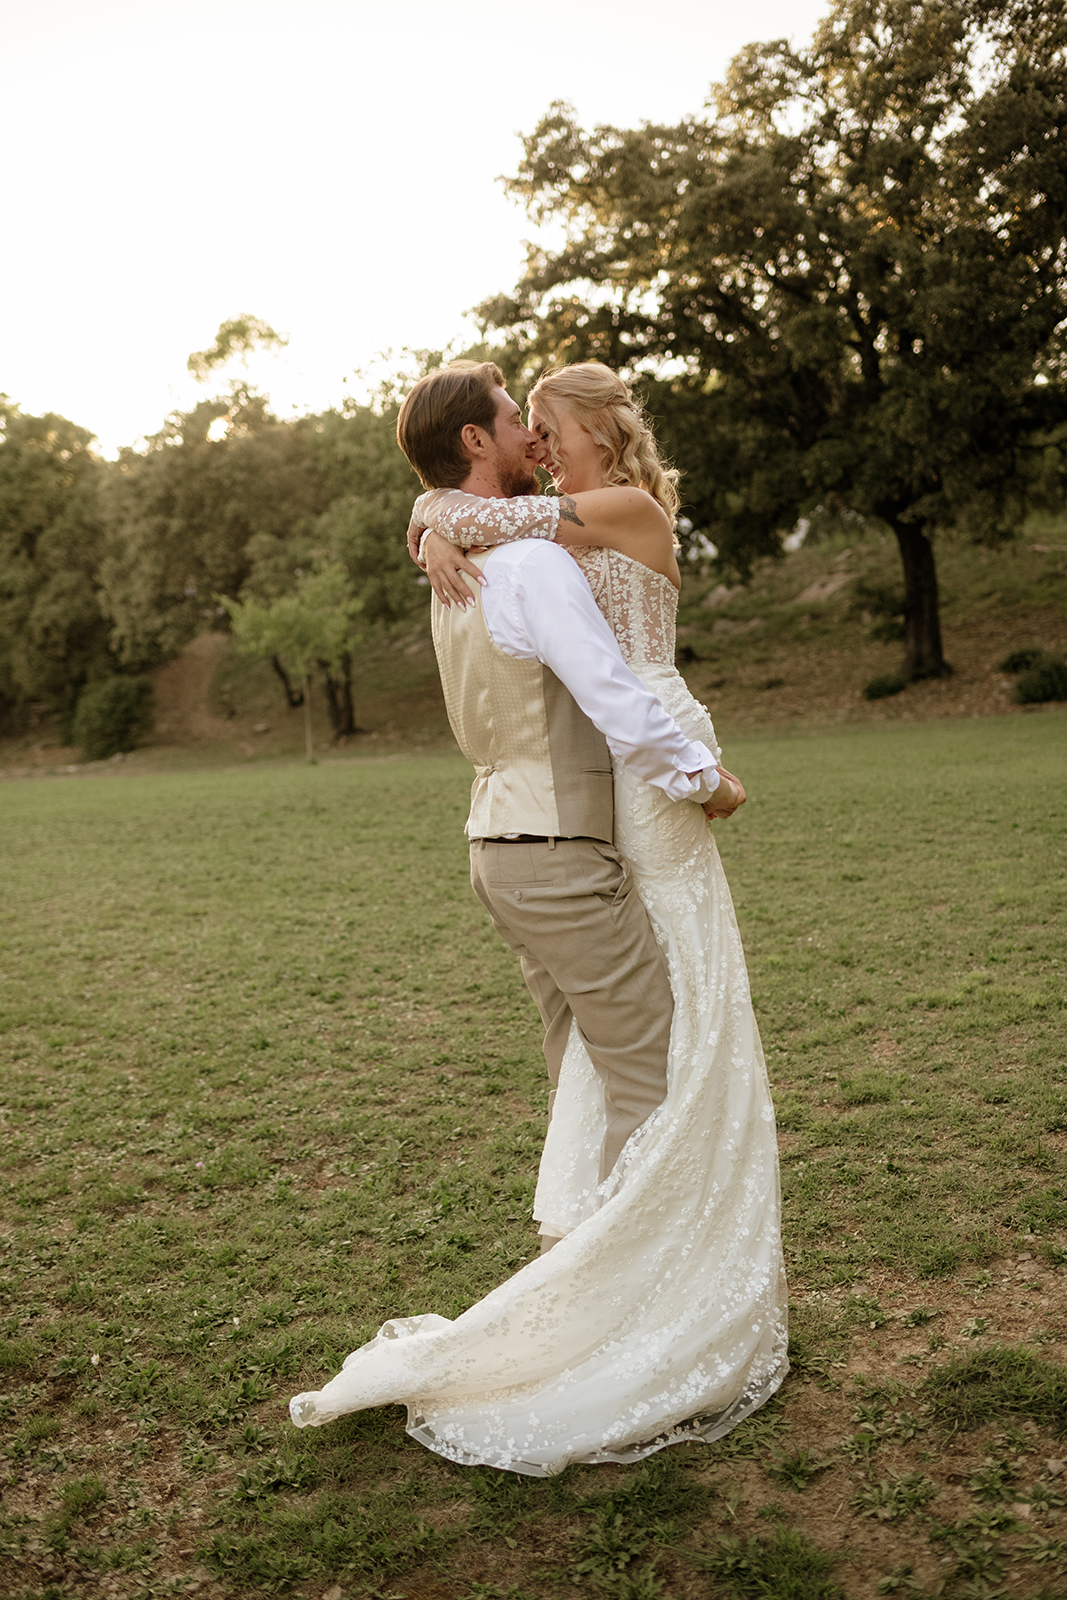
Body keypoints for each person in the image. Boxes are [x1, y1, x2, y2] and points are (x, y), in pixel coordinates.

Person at [289, 362, 787, 1476]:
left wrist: (429, 517)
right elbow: (607, 693)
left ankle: (612, 1280)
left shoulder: (528, 538)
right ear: (482, 439)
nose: (536, 439)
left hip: (535, 831)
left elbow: (490, 511)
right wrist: (703, 774)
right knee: (655, 1068)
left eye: (548, 424)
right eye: (522, 423)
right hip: (580, 824)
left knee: (604, 1069)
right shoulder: (516, 559)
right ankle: (630, 1310)